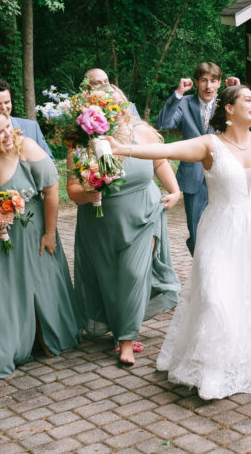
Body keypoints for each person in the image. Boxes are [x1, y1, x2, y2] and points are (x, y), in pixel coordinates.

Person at [106, 85, 251, 400]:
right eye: (248, 100)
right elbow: (166, 151)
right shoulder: (209, 145)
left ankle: (240, 357)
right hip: (219, 233)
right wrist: (121, 149)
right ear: (229, 108)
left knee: (247, 297)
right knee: (214, 298)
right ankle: (211, 371)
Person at [0, 107, 81, 381]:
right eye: (0, 132)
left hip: (32, 232)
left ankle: (46, 338)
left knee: (40, 285)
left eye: (8, 126)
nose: (10, 134)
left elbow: (51, 188)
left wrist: (49, 232)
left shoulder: (27, 148)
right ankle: (3, 352)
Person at [67, 89, 181, 365]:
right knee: (108, 277)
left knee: (133, 273)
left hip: (144, 212)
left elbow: (160, 162)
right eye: (104, 105)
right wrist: (88, 194)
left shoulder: (144, 133)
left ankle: (126, 339)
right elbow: (72, 188)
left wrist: (175, 191)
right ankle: (120, 327)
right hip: (101, 219)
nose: (113, 109)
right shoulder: (82, 142)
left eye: (116, 102)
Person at [156, 63, 239, 255]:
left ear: (219, 84)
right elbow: (163, 123)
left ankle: (221, 269)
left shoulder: (228, 101)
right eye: (204, 81)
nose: (208, 86)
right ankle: (201, 268)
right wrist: (178, 94)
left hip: (223, 175)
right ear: (196, 82)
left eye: (213, 81)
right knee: (196, 232)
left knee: (225, 228)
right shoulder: (184, 103)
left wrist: (237, 93)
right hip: (193, 176)